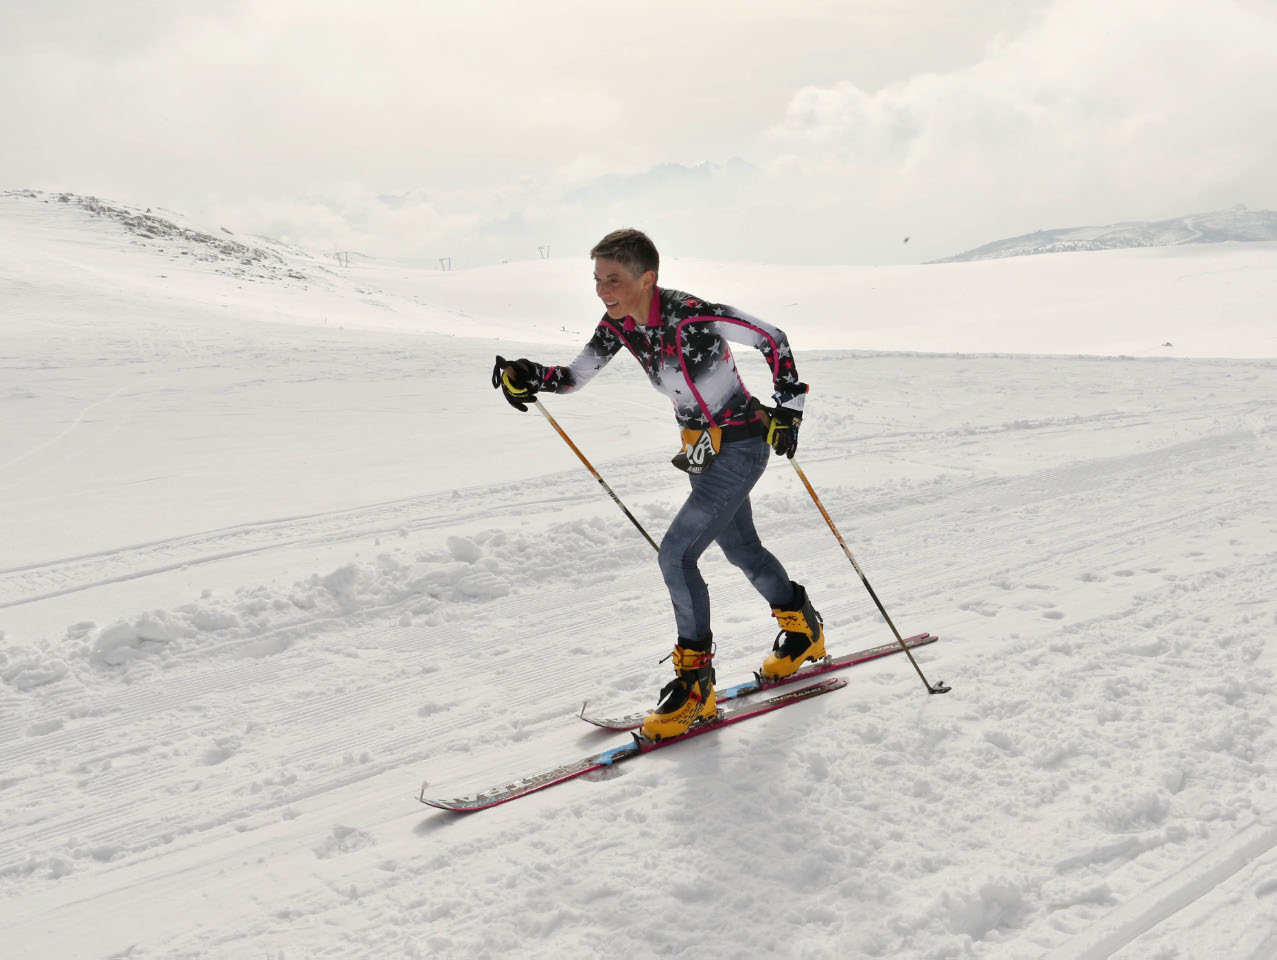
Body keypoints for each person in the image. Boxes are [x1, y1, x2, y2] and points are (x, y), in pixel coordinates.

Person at [491, 228, 825, 740]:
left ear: (647, 279)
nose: (604, 290)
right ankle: (804, 631)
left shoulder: (691, 314)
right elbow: (576, 375)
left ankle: (695, 686)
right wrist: (529, 374)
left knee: (676, 555)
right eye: (598, 279)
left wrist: (789, 410)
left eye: (614, 280)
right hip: (704, 451)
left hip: (741, 444)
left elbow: (772, 339)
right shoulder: (618, 324)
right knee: (741, 549)